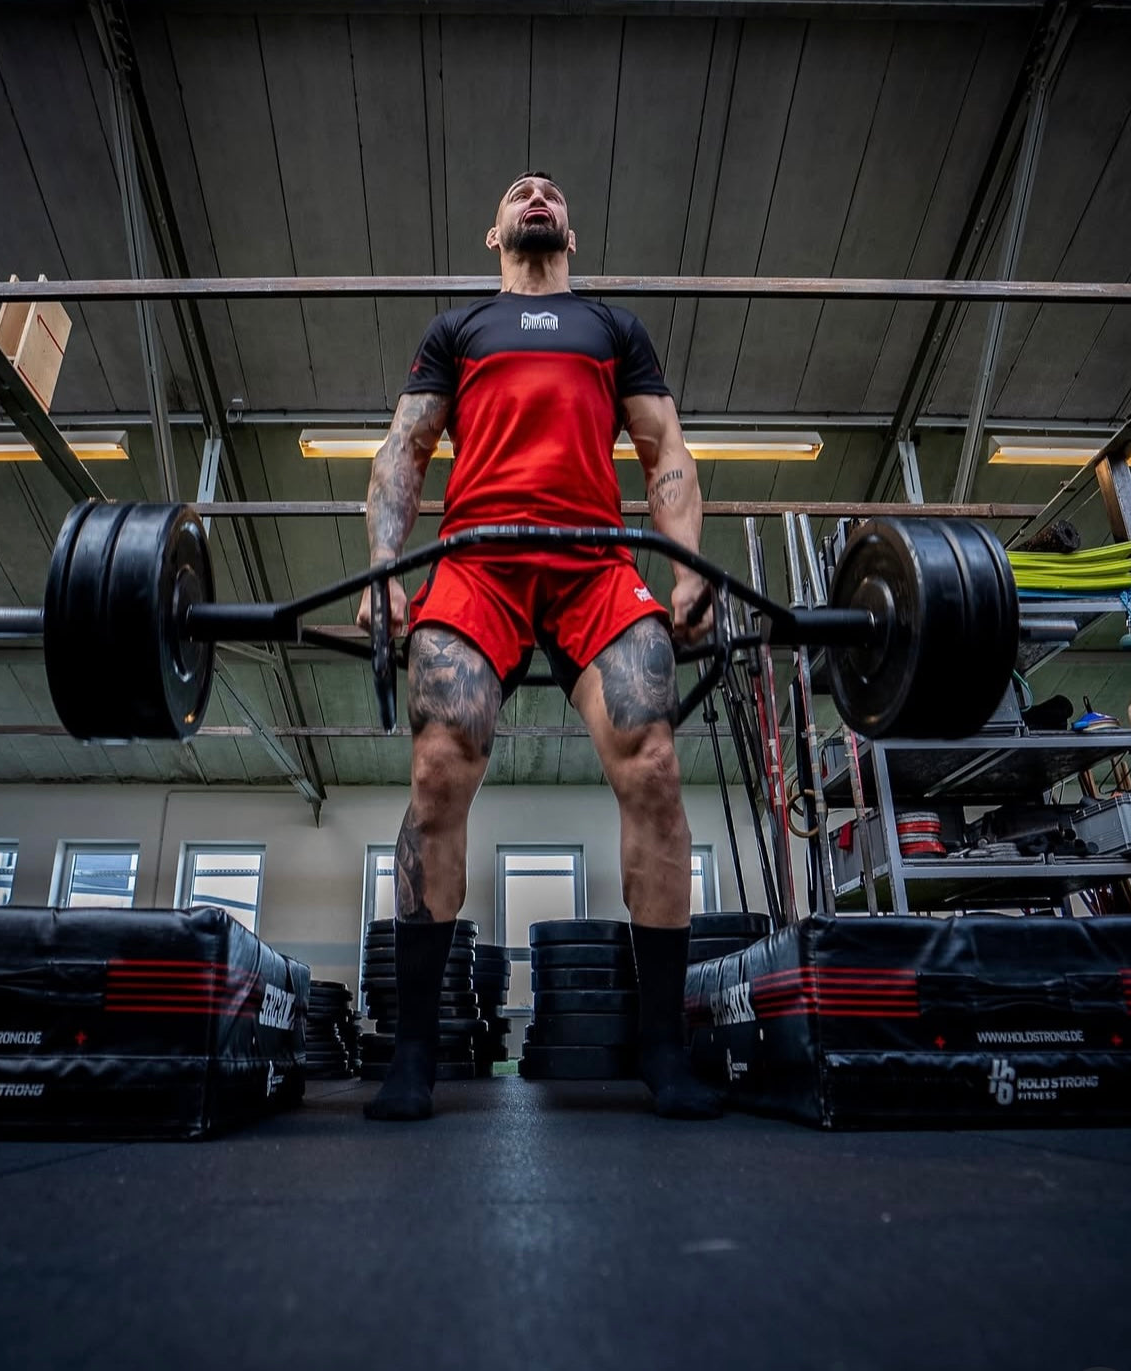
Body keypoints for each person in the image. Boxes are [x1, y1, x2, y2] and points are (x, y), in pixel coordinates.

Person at [356, 172, 720, 1122]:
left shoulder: (614, 328)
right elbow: (405, 448)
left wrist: (686, 567)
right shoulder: (459, 328)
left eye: (551, 191)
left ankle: (662, 1050)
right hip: (477, 564)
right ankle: (416, 1055)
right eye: (521, 191)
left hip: (595, 566)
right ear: (495, 232)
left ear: (568, 228)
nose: (537, 194)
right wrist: (385, 570)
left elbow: (665, 450)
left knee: (654, 768)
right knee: (437, 769)